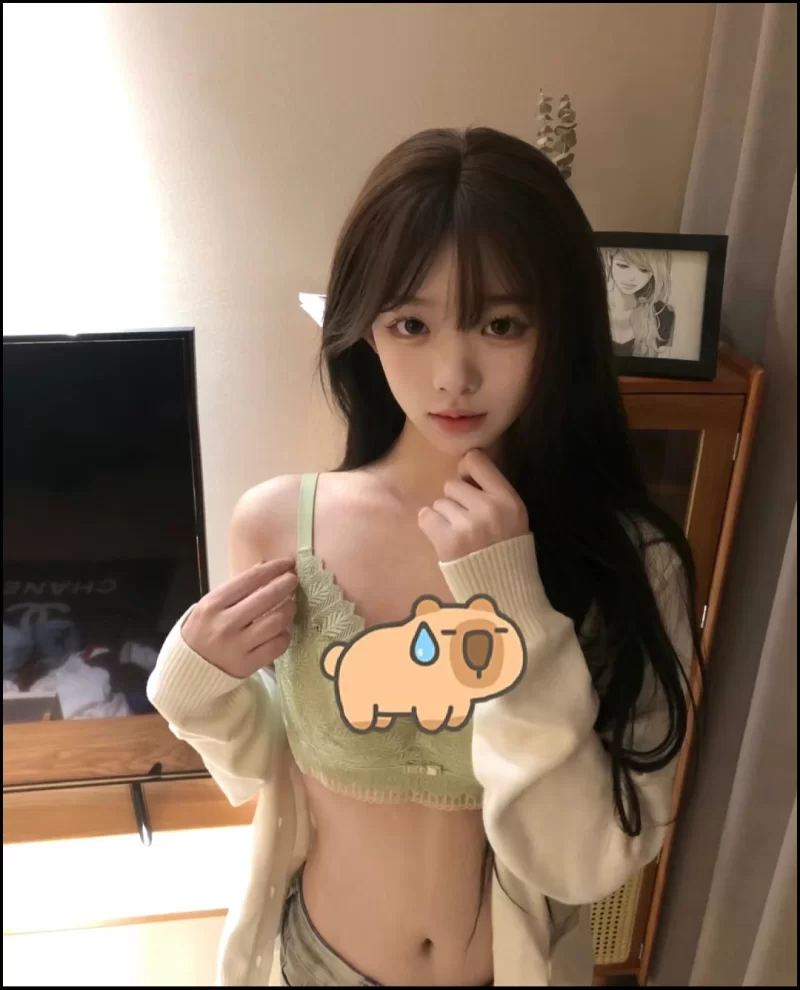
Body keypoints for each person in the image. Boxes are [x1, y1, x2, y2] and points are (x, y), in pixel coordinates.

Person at [147, 127, 702, 987]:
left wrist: (517, 608)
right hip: (317, 967)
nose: (453, 375)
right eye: (411, 323)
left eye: (502, 324)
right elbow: (264, 762)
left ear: (563, 331)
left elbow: (589, 862)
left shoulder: (634, 560)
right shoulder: (281, 525)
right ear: (366, 330)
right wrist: (190, 687)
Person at [603, 247, 676, 358]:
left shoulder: (663, 313)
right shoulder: (588, 307)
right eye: (623, 265)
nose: (631, 278)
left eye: (644, 269)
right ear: (610, 261)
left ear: (653, 273)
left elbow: (663, 366)